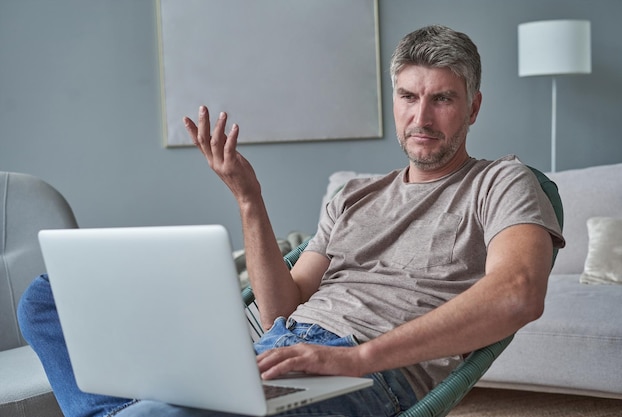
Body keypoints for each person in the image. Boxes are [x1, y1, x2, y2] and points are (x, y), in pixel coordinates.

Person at [18, 25, 564, 417]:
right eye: (408, 96)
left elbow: (517, 293)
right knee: (47, 297)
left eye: (442, 99)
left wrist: (355, 357)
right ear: (395, 100)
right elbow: (283, 306)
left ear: (473, 107)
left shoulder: (503, 182)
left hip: (370, 372)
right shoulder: (354, 195)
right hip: (275, 346)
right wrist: (249, 198)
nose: (421, 117)